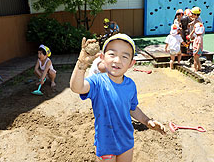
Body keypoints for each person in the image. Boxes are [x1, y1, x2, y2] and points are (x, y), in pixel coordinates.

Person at [70, 33, 166, 161]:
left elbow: (132, 108)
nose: (117, 60)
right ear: (102, 58)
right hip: (106, 143)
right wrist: (81, 64)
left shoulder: (130, 85)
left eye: (124, 56)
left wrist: (147, 121)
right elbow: (77, 87)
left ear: (131, 63)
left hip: (126, 140)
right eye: (112, 54)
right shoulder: (97, 82)